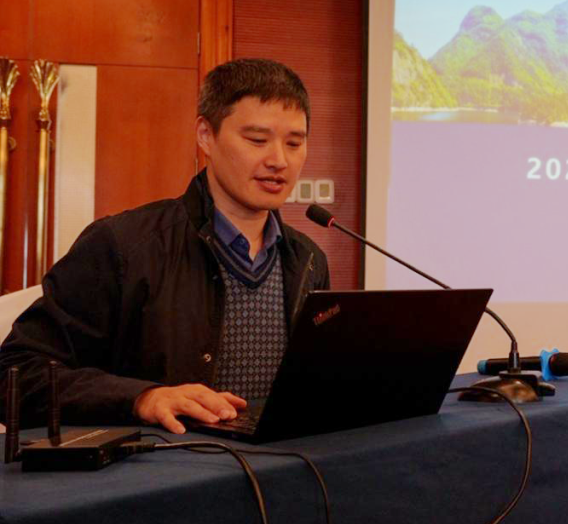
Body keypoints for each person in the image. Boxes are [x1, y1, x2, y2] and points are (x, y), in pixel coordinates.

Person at [0, 58, 329, 434]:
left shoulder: (309, 261)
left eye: (294, 143)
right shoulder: (124, 246)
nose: (279, 161)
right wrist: (141, 398)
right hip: (164, 464)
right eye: (257, 140)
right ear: (205, 135)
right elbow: (15, 373)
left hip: (283, 463)